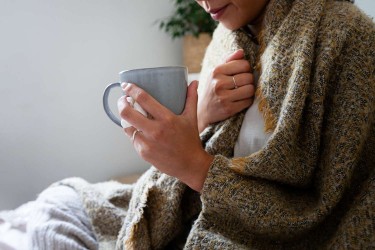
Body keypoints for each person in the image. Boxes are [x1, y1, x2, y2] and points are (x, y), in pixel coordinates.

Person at [0, 0, 374, 249]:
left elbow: (330, 219)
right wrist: (200, 116)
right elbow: (192, 154)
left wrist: (194, 167)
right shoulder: (224, 38)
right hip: (192, 211)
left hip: (243, 234)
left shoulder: (350, 40)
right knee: (57, 206)